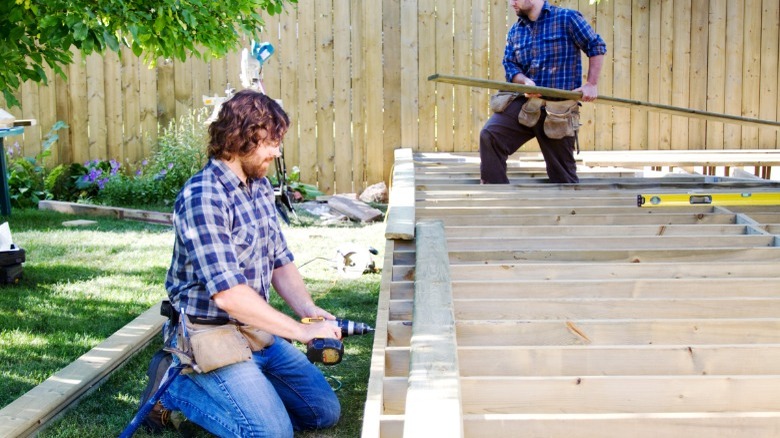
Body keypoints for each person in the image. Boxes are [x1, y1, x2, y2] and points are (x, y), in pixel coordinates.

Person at [139, 89, 342, 437]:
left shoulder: (259, 187)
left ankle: (246, 383)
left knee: (322, 412)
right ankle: (172, 387)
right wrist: (301, 332)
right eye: (271, 141)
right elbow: (229, 296)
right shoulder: (203, 196)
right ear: (241, 137)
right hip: (210, 332)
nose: (276, 151)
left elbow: (280, 260)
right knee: (273, 434)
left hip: (253, 329)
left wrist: (309, 311)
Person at [480, 0, 607, 184]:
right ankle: (497, 201)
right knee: (490, 136)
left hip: (559, 111)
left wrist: (591, 84)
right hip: (526, 105)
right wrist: (524, 82)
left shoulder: (567, 19)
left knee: (563, 178)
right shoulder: (516, 31)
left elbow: (596, 46)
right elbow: (510, 65)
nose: (511, 3)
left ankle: (568, 209)